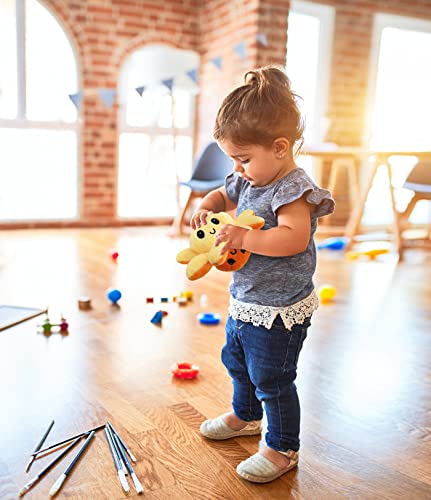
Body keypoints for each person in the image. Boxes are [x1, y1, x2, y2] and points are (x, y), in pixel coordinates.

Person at [191, 65, 335, 483]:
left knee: (272, 377)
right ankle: (246, 414)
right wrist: (208, 202)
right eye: (233, 159)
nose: (237, 168)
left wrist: (244, 238)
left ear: (280, 147)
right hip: (247, 299)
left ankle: (282, 446)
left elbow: (291, 239)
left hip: (280, 309)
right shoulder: (250, 178)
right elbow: (224, 191)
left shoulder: (293, 189)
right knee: (236, 360)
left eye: (243, 158)